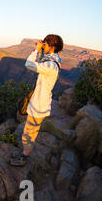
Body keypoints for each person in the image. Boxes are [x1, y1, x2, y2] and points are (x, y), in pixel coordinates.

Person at [10, 34, 63, 166]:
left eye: (45, 44)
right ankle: (23, 153)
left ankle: (23, 158)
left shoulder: (51, 65)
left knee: (29, 133)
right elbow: (39, 63)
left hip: (39, 105)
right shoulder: (50, 61)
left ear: (51, 46)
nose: (42, 45)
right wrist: (40, 50)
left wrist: (36, 50)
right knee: (29, 131)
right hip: (38, 102)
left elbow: (29, 64)